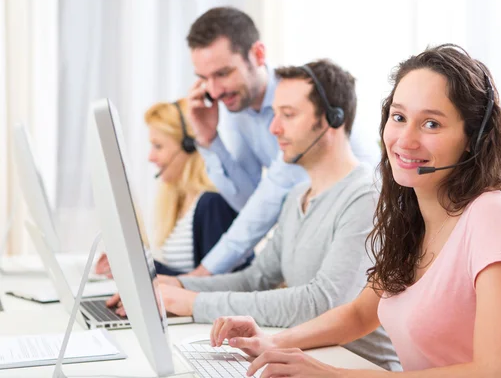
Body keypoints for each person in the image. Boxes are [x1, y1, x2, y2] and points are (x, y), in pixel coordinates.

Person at [209, 45, 501, 377]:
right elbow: (359, 315)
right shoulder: (411, 216)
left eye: (431, 124)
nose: (405, 139)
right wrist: (271, 341)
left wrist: (332, 375)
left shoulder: (490, 214)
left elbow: (497, 371)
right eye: (399, 117)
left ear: (472, 138)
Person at [108, 59, 401, 371]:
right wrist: (179, 287)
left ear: (333, 119)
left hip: (358, 368)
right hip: (309, 360)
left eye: (288, 115)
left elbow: (322, 302)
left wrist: (195, 304)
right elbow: (257, 278)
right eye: (274, 114)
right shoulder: (295, 198)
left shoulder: (366, 197)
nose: (274, 128)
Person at [183, 6, 380, 275]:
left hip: (368, 232)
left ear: (258, 55)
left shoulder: (302, 101)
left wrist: (195, 278)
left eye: (223, 73)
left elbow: (268, 199)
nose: (214, 91)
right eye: (204, 79)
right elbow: (248, 203)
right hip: (314, 233)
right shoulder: (237, 109)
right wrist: (209, 141)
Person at [95, 99, 250, 276]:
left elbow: (210, 286)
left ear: (189, 146)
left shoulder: (213, 203)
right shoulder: (181, 200)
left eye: (158, 146)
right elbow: (187, 277)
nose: (151, 157)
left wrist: (140, 265)